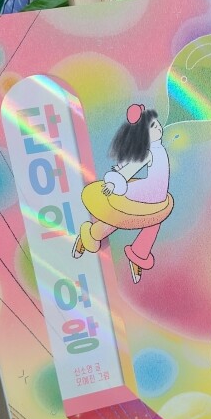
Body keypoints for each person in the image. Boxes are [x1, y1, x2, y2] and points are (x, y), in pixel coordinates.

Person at [72, 104, 172, 284]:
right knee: (121, 217)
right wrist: (114, 182)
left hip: (157, 195)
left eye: (156, 123)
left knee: (153, 222)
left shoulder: (159, 148)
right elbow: (130, 169)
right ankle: (90, 236)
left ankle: (138, 254)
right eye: (152, 126)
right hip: (145, 193)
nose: (158, 127)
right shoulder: (148, 153)